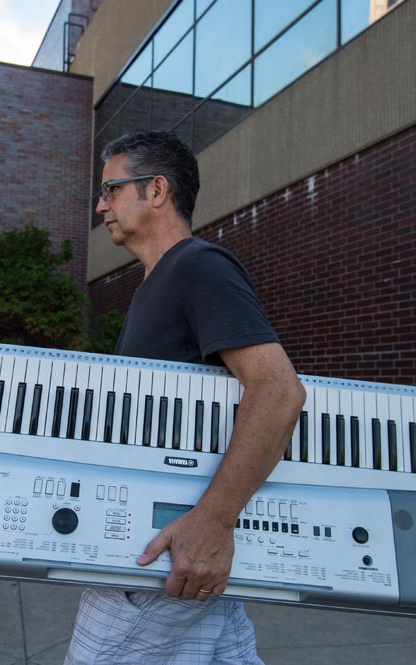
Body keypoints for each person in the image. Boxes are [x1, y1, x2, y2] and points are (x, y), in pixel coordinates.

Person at [65, 131, 306, 664]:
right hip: (176, 560)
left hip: (166, 564)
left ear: (156, 190)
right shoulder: (153, 284)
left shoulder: (198, 265)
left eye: (110, 189)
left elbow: (278, 390)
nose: (101, 205)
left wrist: (213, 522)